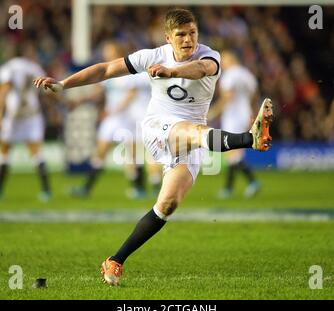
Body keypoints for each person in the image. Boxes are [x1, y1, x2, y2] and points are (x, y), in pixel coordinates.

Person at [34, 8, 273, 285]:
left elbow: (200, 70)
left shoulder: (210, 56)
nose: (188, 40)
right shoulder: (152, 55)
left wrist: (171, 71)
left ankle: (115, 260)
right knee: (192, 131)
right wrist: (64, 84)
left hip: (193, 139)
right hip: (159, 127)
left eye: (192, 33)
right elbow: (106, 69)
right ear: (168, 38)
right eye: (181, 35)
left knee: (167, 205)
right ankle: (249, 138)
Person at [70, 41, 161, 199]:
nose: (106, 53)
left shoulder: (128, 72)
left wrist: (114, 110)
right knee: (101, 152)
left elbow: (132, 94)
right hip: (114, 118)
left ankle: (140, 188)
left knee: (132, 155)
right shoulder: (110, 70)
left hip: (125, 118)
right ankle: (87, 187)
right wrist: (80, 100)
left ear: (118, 52)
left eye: (109, 50)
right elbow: (99, 91)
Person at [0, 44, 52, 201]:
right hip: (32, 115)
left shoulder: (8, 68)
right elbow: (47, 89)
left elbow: (4, 91)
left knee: (4, 154)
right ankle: (46, 191)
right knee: (37, 154)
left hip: (13, 116)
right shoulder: (33, 67)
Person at [209, 50, 261, 199]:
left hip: (233, 116)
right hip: (245, 115)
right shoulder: (248, 75)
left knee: (232, 153)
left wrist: (213, 112)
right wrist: (252, 113)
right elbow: (255, 95)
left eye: (223, 61)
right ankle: (228, 188)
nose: (221, 65)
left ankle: (252, 181)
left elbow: (228, 97)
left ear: (230, 60)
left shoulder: (229, 75)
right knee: (233, 153)